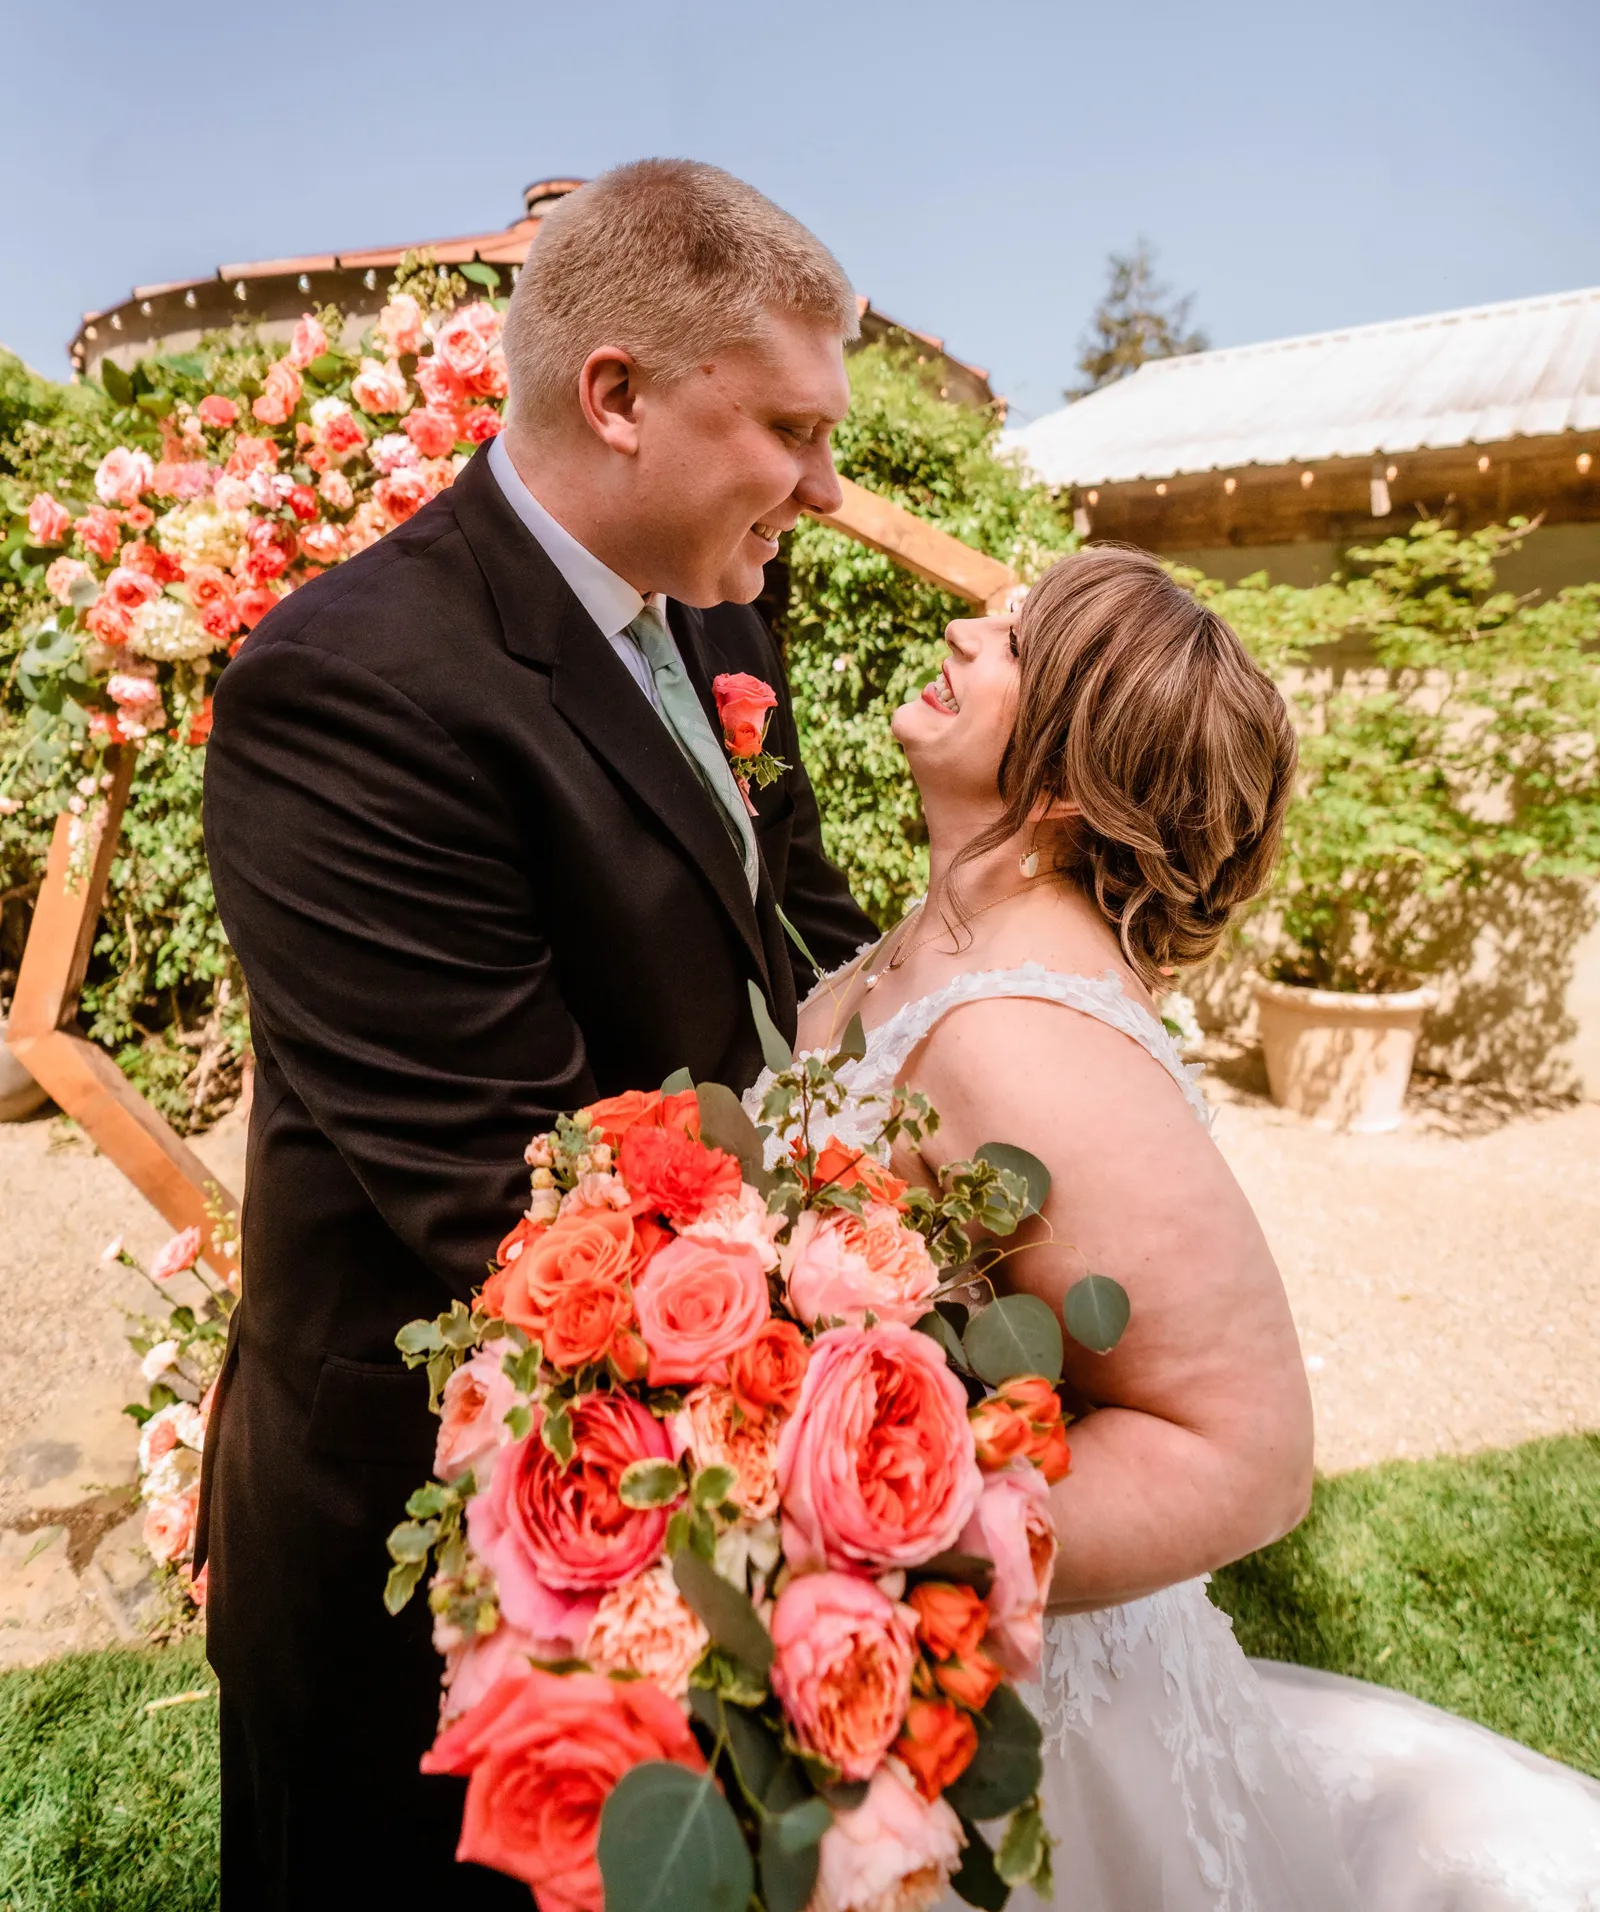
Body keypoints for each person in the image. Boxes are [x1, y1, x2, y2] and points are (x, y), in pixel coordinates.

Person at [198, 159, 877, 1909]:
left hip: (681, 1425)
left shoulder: (719, 605)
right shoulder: (352, 689)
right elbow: (515, 1193)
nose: (825, 486)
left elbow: (802, 917)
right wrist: (875, 1344)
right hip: (426, 1506)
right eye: (790, 430)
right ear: (619, 394)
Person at [778, 546, 1600, 1912]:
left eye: (1017, 642)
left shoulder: (1024, 1038)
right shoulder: (938, 937)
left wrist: (887, 1543)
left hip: (1015, 1739)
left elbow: (1251, 1455)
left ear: (1062, 779)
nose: (966, 632)